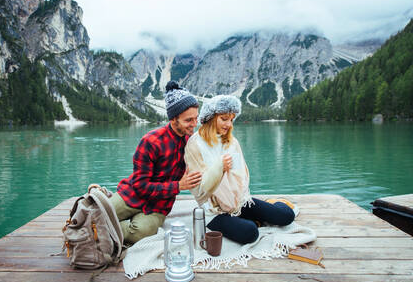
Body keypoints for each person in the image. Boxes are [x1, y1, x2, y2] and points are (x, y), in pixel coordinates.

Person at [184, 95, 295, 245]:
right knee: (250, 232)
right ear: (210, 118)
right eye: (224, 119)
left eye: (231, 119)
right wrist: (219, 167)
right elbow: (200, 190)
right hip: (213, 211)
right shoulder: (194, 145)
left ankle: (272, 204)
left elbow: (241, 176)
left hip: (239, 202)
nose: (229, 124)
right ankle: (249, 218)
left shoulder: (232, 141)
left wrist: (239, 200)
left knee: (287, 216)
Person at [109, 81, 202, 245]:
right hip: (133, 194)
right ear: (174, 120)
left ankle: (111, 228)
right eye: (189, 120)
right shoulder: (151, 141)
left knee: (140, 233)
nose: (195, 124)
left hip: (160, 205)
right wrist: (178, 186)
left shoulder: (191, 142)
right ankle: (110, 219)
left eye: (196, 118)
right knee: (98, 215)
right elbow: (139, 185)